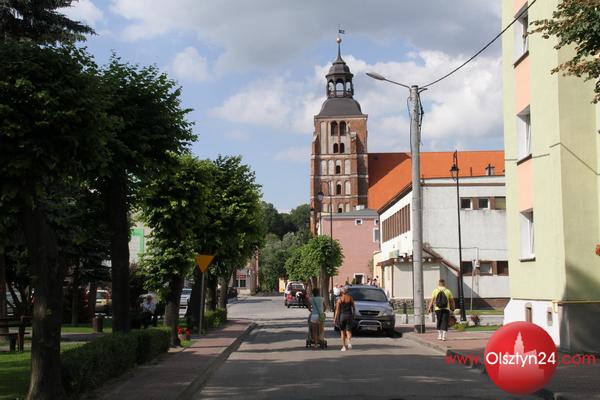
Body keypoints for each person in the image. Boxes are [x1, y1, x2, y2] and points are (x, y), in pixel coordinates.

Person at [334, 286, 356, 351]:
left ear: (341, 292)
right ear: (347, 292)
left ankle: (344, 346)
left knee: (342, 331)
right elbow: (354, 307)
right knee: (349, 331)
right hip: (349, 316)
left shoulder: (340, 299)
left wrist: (335, 319)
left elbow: (337, 310)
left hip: (342, 316)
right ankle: (349, 341)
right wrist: (354, 315)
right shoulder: (350, 298)